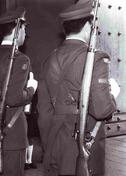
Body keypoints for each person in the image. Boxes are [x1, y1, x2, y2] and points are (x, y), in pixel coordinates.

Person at [37, 1, 117, 176]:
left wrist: (49, 145)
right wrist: (113, 95)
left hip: (56, 143)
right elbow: (102, 110)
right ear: (88, 25)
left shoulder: (48, 60)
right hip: (85, 146)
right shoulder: (96, 58)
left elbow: (43, 112)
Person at [0, 8, 38, 176]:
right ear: (17, 30)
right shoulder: (21, 59)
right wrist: (31, 89)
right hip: (12, 134)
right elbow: (14, 98)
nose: (25, 33)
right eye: (24, 29)